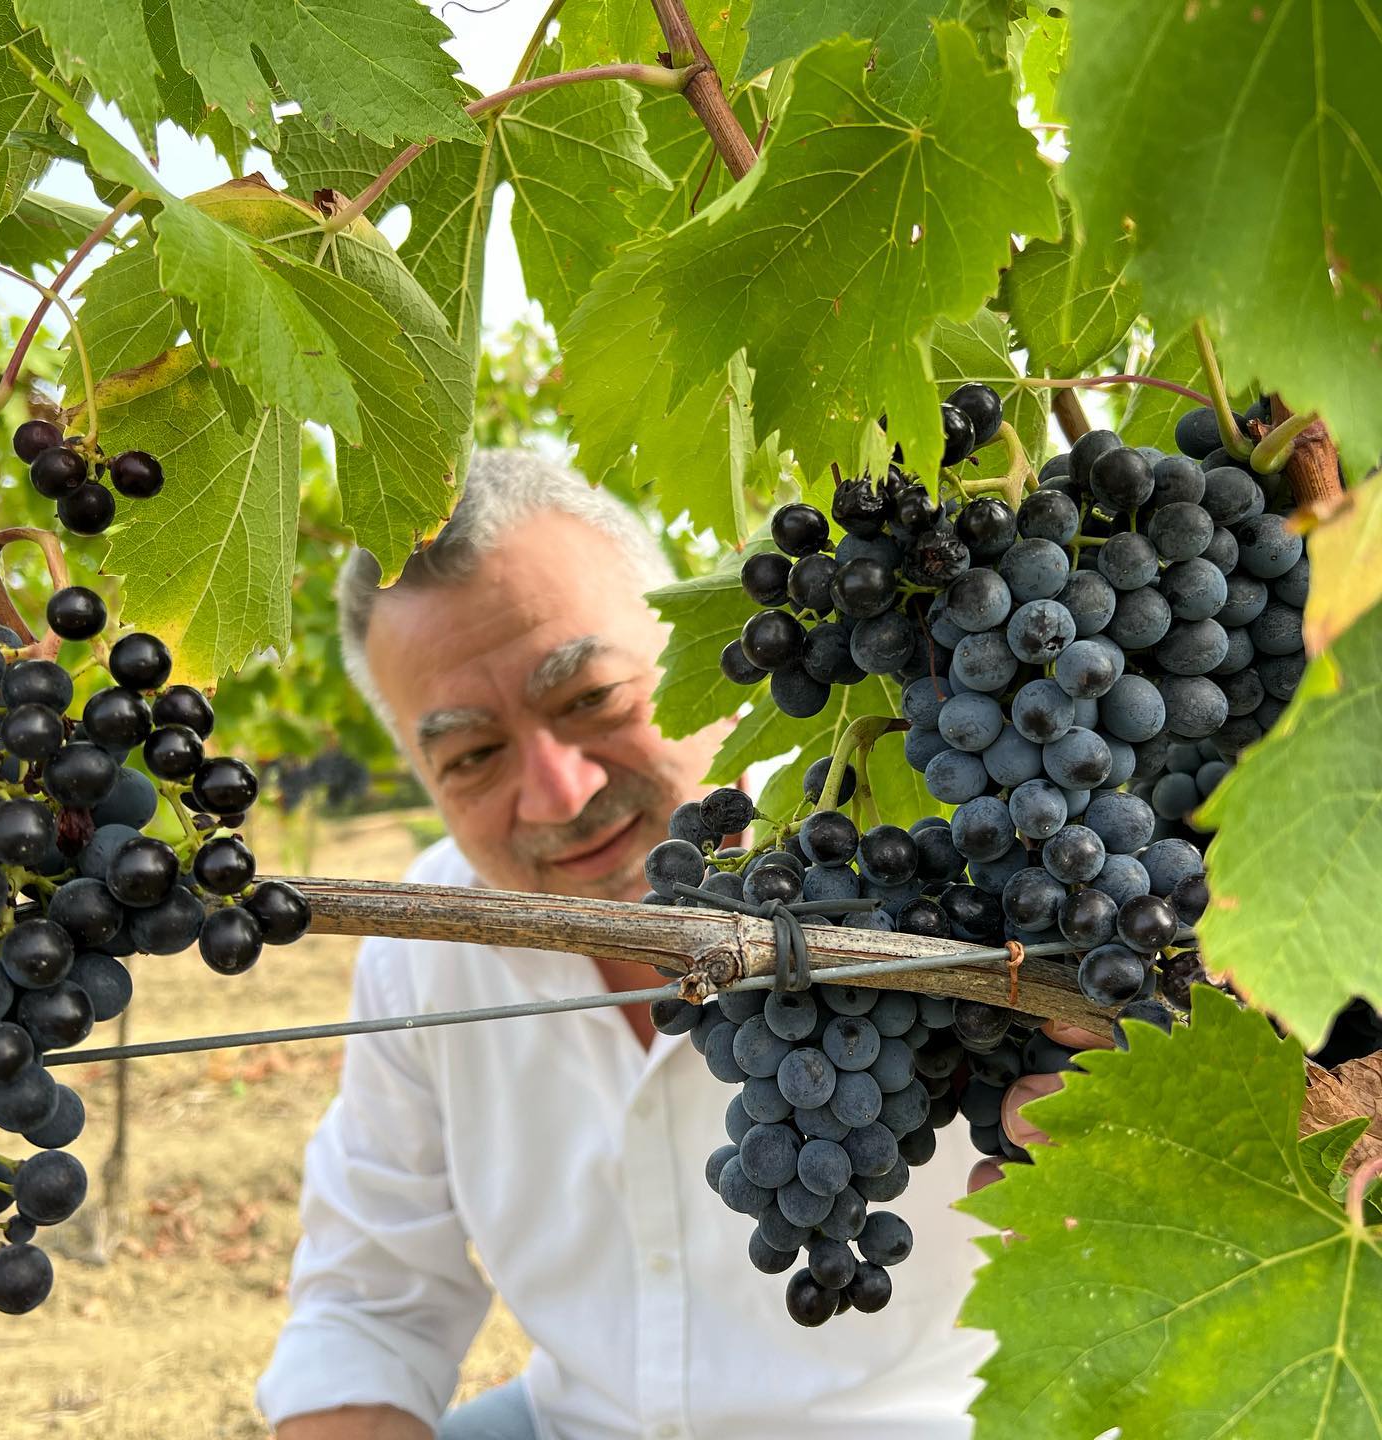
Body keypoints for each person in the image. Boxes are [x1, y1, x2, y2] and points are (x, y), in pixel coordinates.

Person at [257, 450, 1000, 1440]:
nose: (559, 794)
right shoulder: (423, 939)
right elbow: (369, 1306)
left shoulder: (934, 885)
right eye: (474, 756)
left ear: (712, 661)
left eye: (592, 699)